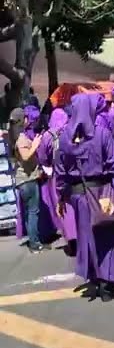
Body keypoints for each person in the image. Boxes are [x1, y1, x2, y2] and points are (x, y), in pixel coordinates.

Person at [56, 92, 114, 302]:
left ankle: (96, 281)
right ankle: (109, 283)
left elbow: (60, 173)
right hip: (103, 193)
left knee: (87, 238)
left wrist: (62, 197)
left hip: (79, 197)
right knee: (110, 238)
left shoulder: (64, 138)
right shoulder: (102, 134)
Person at [10, 107, 46, 252]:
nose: (27, 120)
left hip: (22, 180)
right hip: (27, 179)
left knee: (29, 213)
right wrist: (35, 145)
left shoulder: (13, 136)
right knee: (33, 212)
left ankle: (33, 239)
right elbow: (25, 156)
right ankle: (35, 243)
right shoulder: (20, 138)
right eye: (25, 117)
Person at [37, 108, 73, 246]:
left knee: (61, 204)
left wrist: (48, 165)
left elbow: (42, 156)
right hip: (72, 171)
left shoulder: (47, 135)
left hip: (56, 172)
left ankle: (70, 238)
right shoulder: (70, 130)